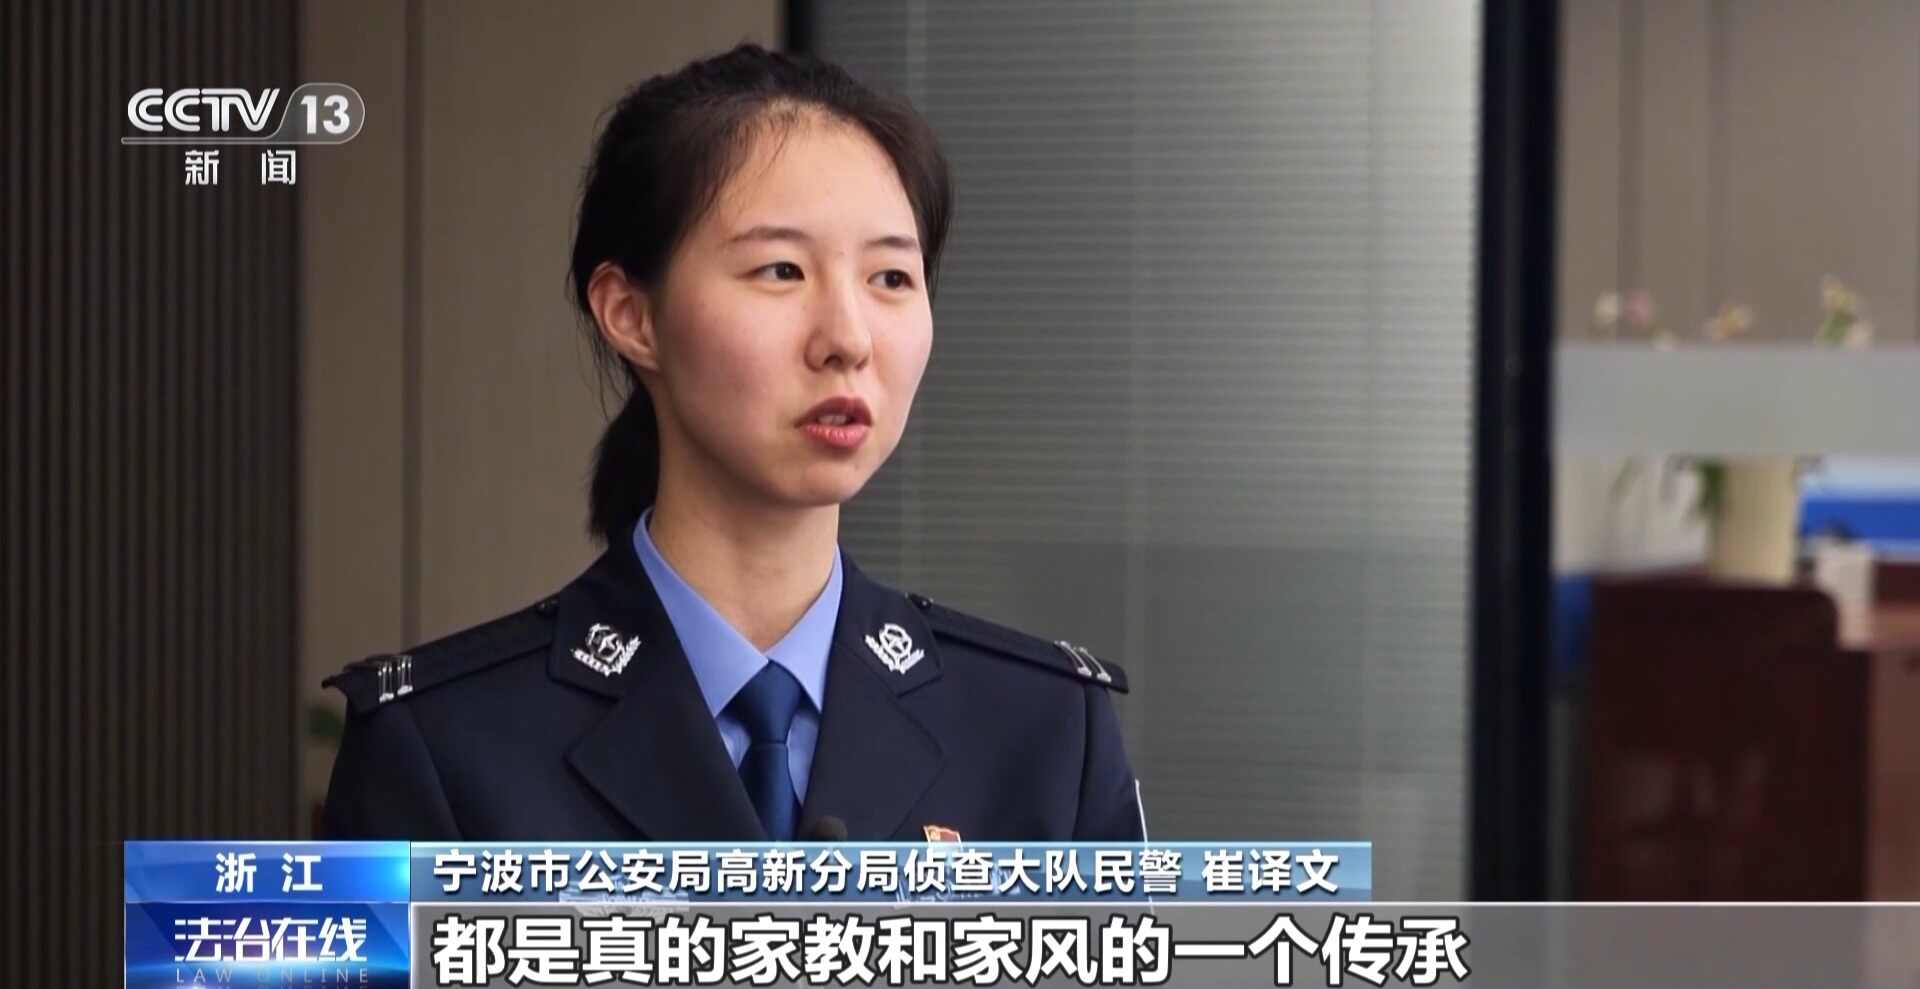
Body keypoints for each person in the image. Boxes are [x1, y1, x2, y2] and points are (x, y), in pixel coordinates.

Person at [321, 42, 1142, 843]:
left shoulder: (1045, 733)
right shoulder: (443, 746)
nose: (848, 338)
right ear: (632, 315)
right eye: (782, 270)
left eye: (891, 277)